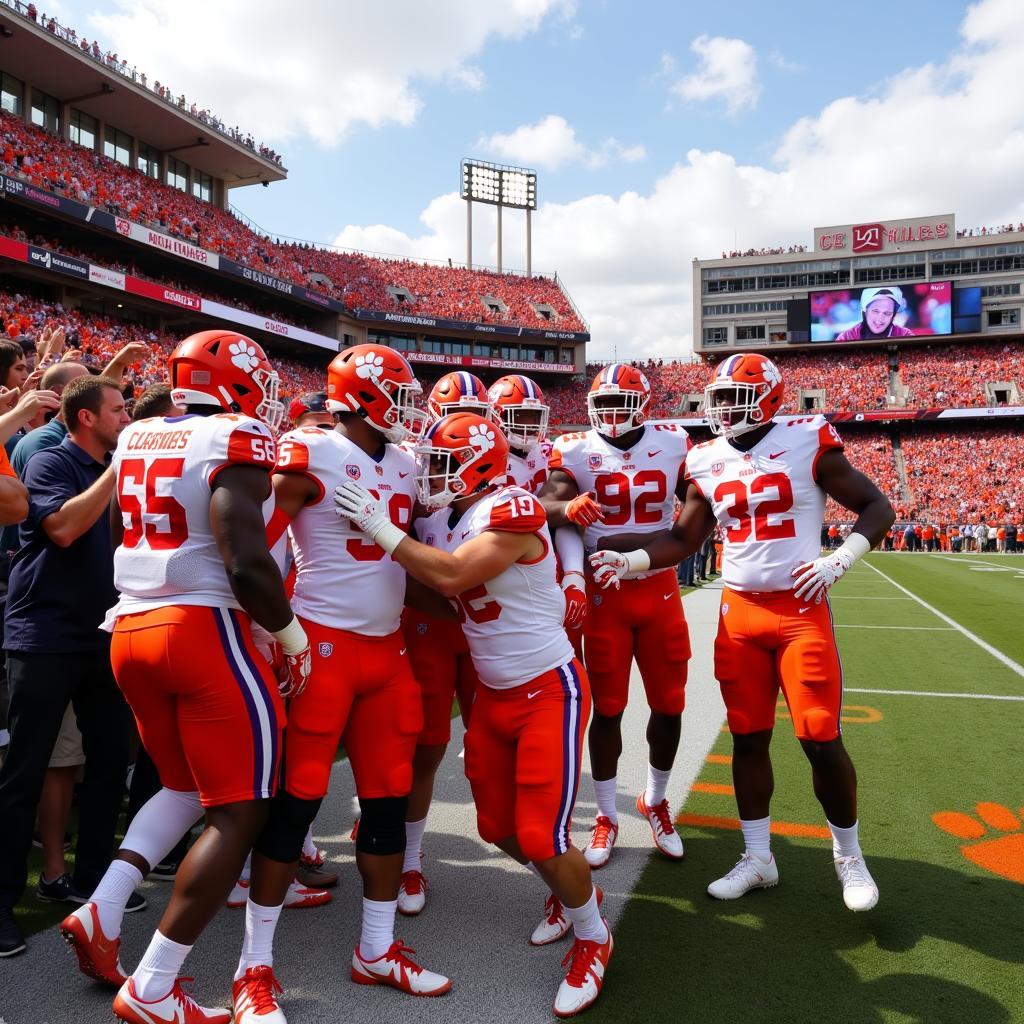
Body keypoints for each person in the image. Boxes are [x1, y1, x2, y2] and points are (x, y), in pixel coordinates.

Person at [59, 331, 310, 1024]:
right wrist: (292, 638)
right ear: (234, 382)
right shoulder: (236, 435)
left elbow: (120, 531)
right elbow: (247, 563)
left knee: (182, 785)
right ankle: (154, 984)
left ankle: (103, 907)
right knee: (241, 809)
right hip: (202, 631)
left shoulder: (138, 434)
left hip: (130, 628)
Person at [590, 353, 895, 912]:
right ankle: (758, 857)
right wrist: (630, 561)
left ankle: (849, 857)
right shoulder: (705, 458)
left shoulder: (807, 440)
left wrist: (841, 558)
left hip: (800, 609)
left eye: (736, 396)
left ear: (771, 397)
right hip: (739, 615)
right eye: (720, 397)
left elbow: (877, 505)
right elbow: (683, 541)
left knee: (820, 738)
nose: (725, 408)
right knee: (749, 738)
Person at [335, 411, 613, 1019]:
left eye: (442, 461)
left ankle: (593, 934)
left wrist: (379, 528)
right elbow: (426, 587)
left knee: (542, 833)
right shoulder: (445, 516)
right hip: (494, 696)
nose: (430, 474)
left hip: (548, 689)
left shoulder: (510, 508)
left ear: (478, 463)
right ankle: (565, 891)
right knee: (497, 827)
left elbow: (455, 574)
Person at [230, 344, 449, 1024]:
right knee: (295, 808)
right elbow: (254, 540)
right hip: (321, 647)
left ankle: (376, 949)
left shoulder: (408, 463)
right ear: (362, 395)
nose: (410, 410)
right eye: (400, 395)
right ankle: (252, 968)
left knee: (386, 802)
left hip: (386, 653)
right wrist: (272, 628)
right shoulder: (310, 452)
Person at [0, 376, 133, 958]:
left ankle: (94, 885)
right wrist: (118, 468)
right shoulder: (51, 462)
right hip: (44, 635)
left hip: (103, 635)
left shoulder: (119, 469)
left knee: (108, 766)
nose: (127, 418)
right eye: (118, 409)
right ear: (86, 419)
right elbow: (62, 527)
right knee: (22, 775)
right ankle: (1, 905)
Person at [539, 363, 692, 869]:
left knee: (669, 704)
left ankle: (655, 798)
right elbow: (547, 504)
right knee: (608, 708)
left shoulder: (674, 443)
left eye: (619, 404)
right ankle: (606, 815)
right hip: (606, 595)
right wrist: (568, 510)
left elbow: (695, 515)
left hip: (658, 587)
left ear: (644, 405)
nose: (609, 415)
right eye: (601, 405)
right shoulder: (579, 449)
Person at [835, 287, 915, 342]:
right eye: (876, 311)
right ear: (865, 310)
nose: (880, 318)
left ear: (893, 315)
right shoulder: (847, 337)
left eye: (887, 313)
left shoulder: (905, 335)